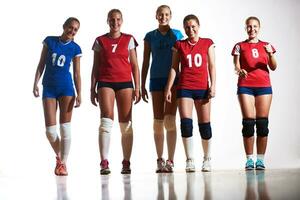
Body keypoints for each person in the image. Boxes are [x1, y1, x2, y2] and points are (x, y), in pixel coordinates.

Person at [90, 9, 141, 175]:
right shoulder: (100, 40)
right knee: (106, 120)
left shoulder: (129, 39)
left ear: (122, 21)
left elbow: (134, 65)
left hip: (125, 83)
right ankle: (104, 162)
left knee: (126, 124)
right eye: (112, 19)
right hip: (105, 82)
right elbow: (95, 67)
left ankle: (126, 162)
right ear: (107, 21)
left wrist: (138, 87)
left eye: (118, 19)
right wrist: (92, 88)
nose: (115, 22)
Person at [165, 14, 216, 172]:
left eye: (193, 26)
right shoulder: (179, 44)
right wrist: (168, 87)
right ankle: (189, 160)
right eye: (187, 27)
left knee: (205, 125)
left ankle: (207, 159)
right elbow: (174, 67)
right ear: (184, 29)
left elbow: (212, 66)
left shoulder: (207, 43)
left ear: (198, 26)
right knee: (186, 125)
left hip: (202, 88)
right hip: (185, 87)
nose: (190, 29)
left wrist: (213, 85)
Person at [33, 17, 82, 176]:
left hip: (67, 88)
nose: (72, 31)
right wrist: (35, 82)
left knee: (65, 127)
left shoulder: (75, 48)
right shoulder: (50, 41)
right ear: (64, 26)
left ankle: (62, 164)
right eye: (70, 27)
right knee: (50, 131)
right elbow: (41, 64)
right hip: (49, 88)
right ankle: (61, 158)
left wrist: (80, 93)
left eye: (75, 29)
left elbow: (76, 73)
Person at [141, 5, 184, 173]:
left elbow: (182, 58)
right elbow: (145, 61)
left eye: (166, 14)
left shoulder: (178, 34)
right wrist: (142, 84)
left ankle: (171, 160)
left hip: (173, 80)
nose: (163, 17)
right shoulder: (150, 36)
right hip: (155, 79)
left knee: (170, 120)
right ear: (156, 16)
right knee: (157, 122)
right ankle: (160, 159)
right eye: (160, 14)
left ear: (170, 16)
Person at [232, 16, 277, 170]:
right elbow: (236, 66)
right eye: (249, 26)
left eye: (255, 26)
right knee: (248, 124)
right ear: (246, 28)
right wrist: (240, 70)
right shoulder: (240, 46)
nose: (252, 29)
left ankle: (260, 160)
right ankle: (249, 159)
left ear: (259, 28)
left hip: (264, 86)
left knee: (263, 124)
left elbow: (274, 67)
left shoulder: (267, 45)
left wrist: (270, 54)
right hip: (246, 86)